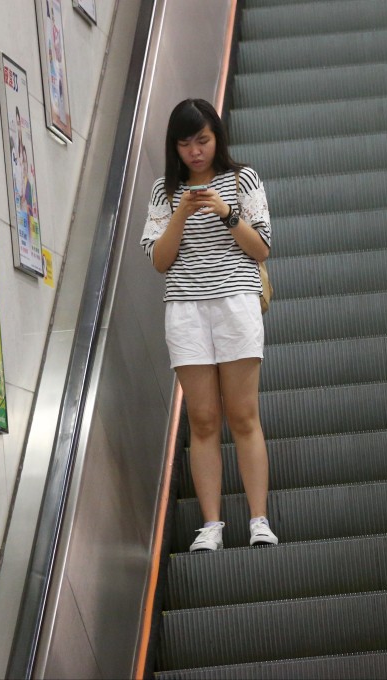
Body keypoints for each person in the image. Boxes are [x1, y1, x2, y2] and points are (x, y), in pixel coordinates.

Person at [140, 98, 277, 551]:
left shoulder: (242, 178)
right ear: (174, 147)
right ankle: (212, 526)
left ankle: (259, 520)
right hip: (185, 308)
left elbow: (261, 249)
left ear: (217, 138)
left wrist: (225, 210)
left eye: (202, 140)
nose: (195, 151)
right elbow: (159, 260)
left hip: (236, 302)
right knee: (201, 419)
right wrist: (181, 212)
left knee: (242, 414)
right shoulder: (164, 191)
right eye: (185, 143)